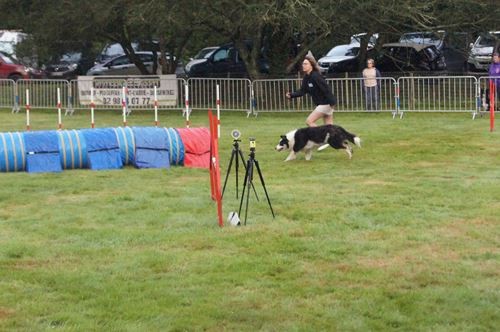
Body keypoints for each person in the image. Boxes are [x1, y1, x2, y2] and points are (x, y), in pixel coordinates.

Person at [286, 52, 337, 127]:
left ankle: (319, 136)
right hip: (323, 104)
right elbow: (302, 91)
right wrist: (291, 95)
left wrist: (332, 103)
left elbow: (326, 89)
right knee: (329, 127)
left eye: (306, 64)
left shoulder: (315, 76)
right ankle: (333, 138)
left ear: (311, 66)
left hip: (326, 104)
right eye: (303, 64)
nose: (303, 65)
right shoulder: (306, 77)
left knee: (309, 121)